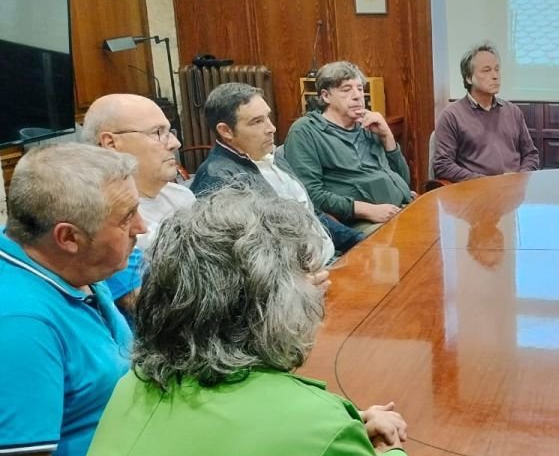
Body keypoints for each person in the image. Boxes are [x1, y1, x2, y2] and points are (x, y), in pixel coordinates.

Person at [88, 188, 409, 455]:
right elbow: (300, 431)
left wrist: (349, 421)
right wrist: (384, 449)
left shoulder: (133, 383)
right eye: (306, 275)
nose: (317, 288)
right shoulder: (316, 428)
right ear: (269, 309)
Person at [0, 144, 144, 456]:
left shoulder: (74, 267)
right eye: (127, 217)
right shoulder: (20, 326)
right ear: (68, 238)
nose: (141, 227)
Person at [190, 82, 364, 254]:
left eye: (267, 117)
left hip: (327, 256)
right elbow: (248, 255)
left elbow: (311, 214)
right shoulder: (219, 179)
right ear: (226, 131)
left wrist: (357, 240)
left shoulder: (270, 155)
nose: (271, 128)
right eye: (257, 122)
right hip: (300, 276)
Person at [82, 94, 195, 310]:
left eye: (169, 132)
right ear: (111, 143)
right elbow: (146, 307)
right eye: (158, 133)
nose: (175, 143)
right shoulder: (100, 217)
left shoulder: (182, 196)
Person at [285, 61, 415, 233]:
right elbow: (310, 193)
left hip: (402, 207)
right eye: (346, 90)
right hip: (357, 222)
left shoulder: (368, 124)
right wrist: (366, 210)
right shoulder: (305, 131)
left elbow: (404, 180)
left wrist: (387, 136)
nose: (357, 96)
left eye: (360, 89)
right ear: (326, 96)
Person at [433, 42, 539, 182]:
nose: (495, 76)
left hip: (514, 191)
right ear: (468, 78)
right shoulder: (451, 116)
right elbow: (443, 165)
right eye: (486, 70)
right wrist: (486, 182)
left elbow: (531, 154)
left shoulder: (513, 112)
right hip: (475, 193)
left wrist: (519, 177)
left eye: (497, 69)